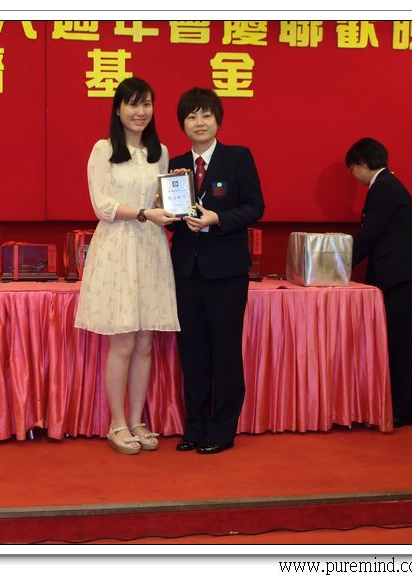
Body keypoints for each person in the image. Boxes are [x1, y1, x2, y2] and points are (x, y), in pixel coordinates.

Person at [74, 77, 180, 455]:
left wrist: (172, 205)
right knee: (123, 341)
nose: (140, 111)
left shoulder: (160, 153)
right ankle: (116, 423)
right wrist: (144, 213)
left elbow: (162, 200)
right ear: (118, 109)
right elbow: (101, 205)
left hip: (151, 248)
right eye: (133, 104)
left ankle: (137, 419)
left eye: (146, 104)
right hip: (118, 247)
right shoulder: (103, 149)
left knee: (146, 341)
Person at [167, 88, 264, 455]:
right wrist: (169, 210)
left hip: (226, 274)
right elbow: (173, 221)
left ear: (218, 120)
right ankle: (195, 427)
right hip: (186, 273)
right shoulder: (176, 164)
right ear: (183, 124)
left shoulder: (237, 158)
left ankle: (222, 430)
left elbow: (255, 206)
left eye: (206, 115)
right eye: (191, 116)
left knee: (224, 352)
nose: (199, 122)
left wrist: (217, 219)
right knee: (192, 353)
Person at [345, 138, 412, 427]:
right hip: (398, 275)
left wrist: (340, 266)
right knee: (397, 341)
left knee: (403, 343)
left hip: (400, 277)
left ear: (363, 163)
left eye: (352, 168)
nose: (352, 175)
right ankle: (400, 404)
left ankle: (405, 409)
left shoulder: (383, 188)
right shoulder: (386, 185)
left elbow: (369, 235)